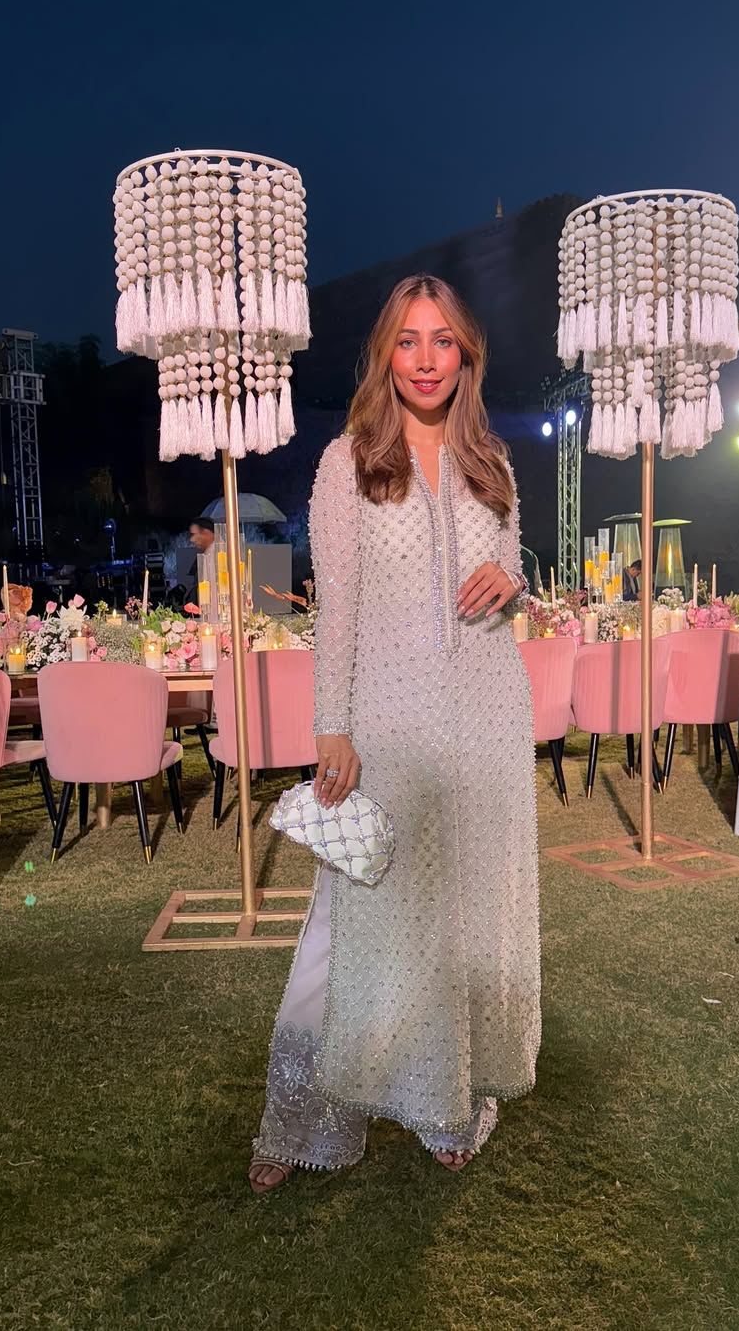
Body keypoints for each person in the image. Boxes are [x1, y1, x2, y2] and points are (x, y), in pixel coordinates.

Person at [248, 275, 540, 1193]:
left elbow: (507, 570)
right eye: (408, 341)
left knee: (467, 911)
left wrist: (515, 582)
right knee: (354, 911)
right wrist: (332, 727)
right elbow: (336, 609)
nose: (425, 360)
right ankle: (306, 1110)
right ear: (384, 354)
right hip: (387, 723)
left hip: (488, 715)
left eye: (442, 340)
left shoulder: (493, 460)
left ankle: (448, 1101)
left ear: (466, 354)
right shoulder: (349, 462)